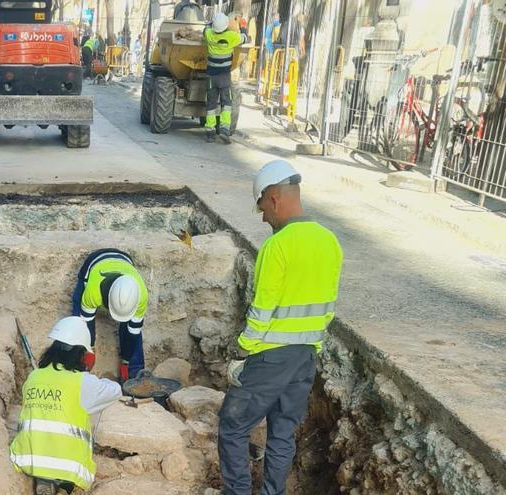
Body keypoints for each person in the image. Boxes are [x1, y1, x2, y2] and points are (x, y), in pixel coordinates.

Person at [217, 160, 343, 495]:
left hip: (270, 356)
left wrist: (241, 351)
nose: (262, 217)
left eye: (261, 208)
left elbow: (262, 310)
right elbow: (327, 307)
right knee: (282, 432)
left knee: (232, 426)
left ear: (274, 198)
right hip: (305, 357)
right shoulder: (330, 241)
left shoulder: (278, 245)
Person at [10, 317, 122, 495]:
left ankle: (45, 478)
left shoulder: (34, 377)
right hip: (68, 466)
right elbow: (115, 391)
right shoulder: (82, 382)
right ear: (80, 354)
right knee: (85, 411)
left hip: (28, 458)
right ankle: (66, 485)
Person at [72, 248, 148, 382]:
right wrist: (89, 349)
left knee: (132, 332)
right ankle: (77, 368)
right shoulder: (93, 292)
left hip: (125, 260)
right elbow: (85, 324)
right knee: (78, 318)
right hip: (93, 262)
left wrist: (126, 361)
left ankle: (135, 374)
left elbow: (133, 333)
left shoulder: (140, 295)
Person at [203, 12, 247, 144]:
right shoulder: (231, 36)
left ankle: (210, 133)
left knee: (210, 105)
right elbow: (245, 38)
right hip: (224, 77)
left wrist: (211, 23)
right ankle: (224, 131)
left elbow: (205, 29)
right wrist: (243, 25)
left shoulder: (210, 35)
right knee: (226, 104)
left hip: (211, 76)